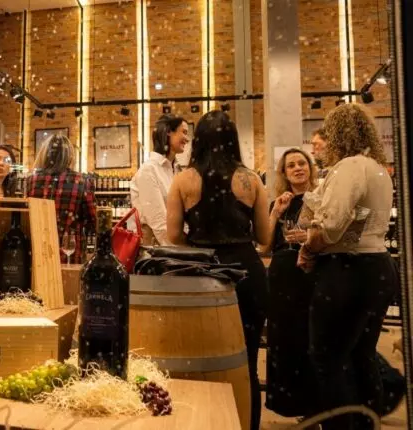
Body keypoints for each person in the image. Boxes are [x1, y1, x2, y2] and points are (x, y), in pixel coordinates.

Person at [166, 110, 270, 430]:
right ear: (232, 140)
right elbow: (264, 237)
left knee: (202, 361)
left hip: (203, 275)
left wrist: (200, 244)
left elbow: (173, 236)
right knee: (247, 363)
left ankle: (207, 423)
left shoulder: (183, 180)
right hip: (247, 274)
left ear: (198, 141)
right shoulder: (252, 180)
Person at [298, 104, 397, 429]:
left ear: (338, 133)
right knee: (360, 355)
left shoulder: (349, 167)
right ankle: (366, 421)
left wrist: (308, 248)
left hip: (346, 272)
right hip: (376, 267)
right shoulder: (377, 169)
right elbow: (357, 225)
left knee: (328, 357)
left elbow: (330, 226)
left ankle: (342, 425)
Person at [260, 148, 320, 420]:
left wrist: (308, 237)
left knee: (311, 337)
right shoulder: (279, 202)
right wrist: (275, 213)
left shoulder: (321, 199)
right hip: (283, 275)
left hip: (311, 272)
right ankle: (291, 404)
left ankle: (314, 407)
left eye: (302, 163)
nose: (297, 168)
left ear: (310, 167)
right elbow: (264, 245)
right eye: (291, 165)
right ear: (284, 173)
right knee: (285, 340)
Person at [26, 135, 96, 264]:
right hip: (69, 256)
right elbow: (93, 221)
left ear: (45, 153)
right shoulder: (82, 181)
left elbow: (26, 218)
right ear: (69, 156)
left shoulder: (31, 181)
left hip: (38, 254)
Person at [130, 115, 189, 246]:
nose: (187, 139)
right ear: (168, 132)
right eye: (184, 132)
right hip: (157, 250)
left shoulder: (176, 169)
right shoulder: (149, 170)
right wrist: (184, 251)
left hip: (173, 246)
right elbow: (159, 224)